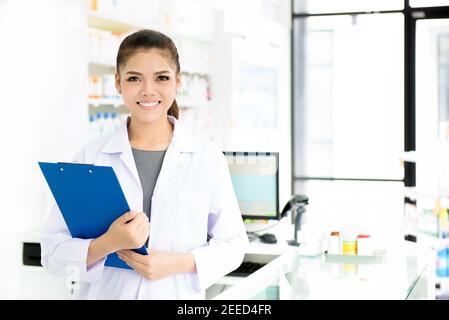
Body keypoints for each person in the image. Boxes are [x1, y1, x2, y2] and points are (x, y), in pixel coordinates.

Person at [40, 29, 249, 299]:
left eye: (161, 78)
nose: (148, 90)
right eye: (134, 78)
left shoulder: (207, 158)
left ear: (177, 81)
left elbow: (233, 245)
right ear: (118, 83)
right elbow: (53, 252)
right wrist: (108, 243)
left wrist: (176, 263)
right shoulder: (90, 157)